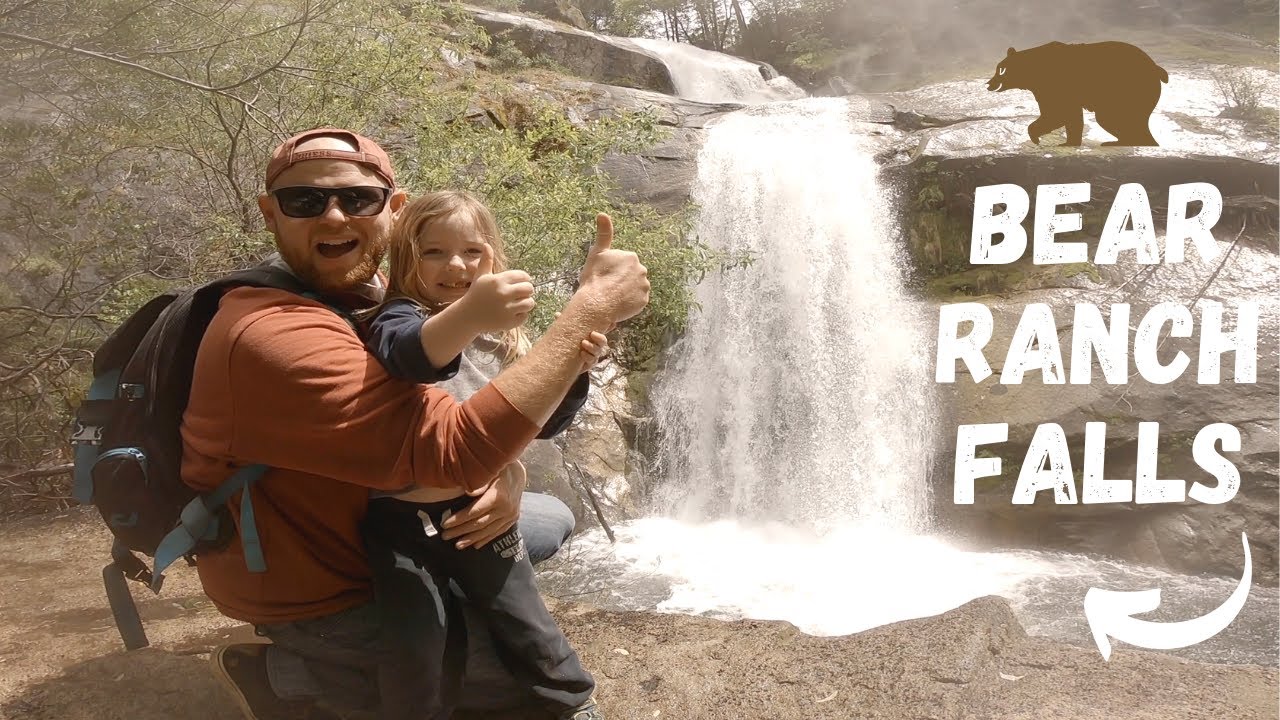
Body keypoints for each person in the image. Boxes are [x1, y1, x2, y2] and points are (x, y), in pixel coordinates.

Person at [180, 127, 649, 720]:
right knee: (508, 675)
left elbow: (491, 429)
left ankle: (444, 610)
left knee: (548, 518)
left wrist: (507, 474)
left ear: (392, 211)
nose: (333, 217)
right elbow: (449, 442)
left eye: (358, 199)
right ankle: (281, 671)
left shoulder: (365, 288)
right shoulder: (270, 334)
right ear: (269, 214)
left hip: (398, 509)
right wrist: (591, 304)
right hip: (328, 576)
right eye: (304, 201)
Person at [360, 190, 605, 719]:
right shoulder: (398, 318)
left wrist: (573, 373)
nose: (457, 265)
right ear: (406, 259)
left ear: (493, 255)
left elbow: (543, 428)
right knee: (419, 631)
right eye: (433, 252)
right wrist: (472, 313)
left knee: (525, 617)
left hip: (478, 508)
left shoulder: (504, 340)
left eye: (473, 251)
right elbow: (411, 358)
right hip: (399, 516)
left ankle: (573, 703)